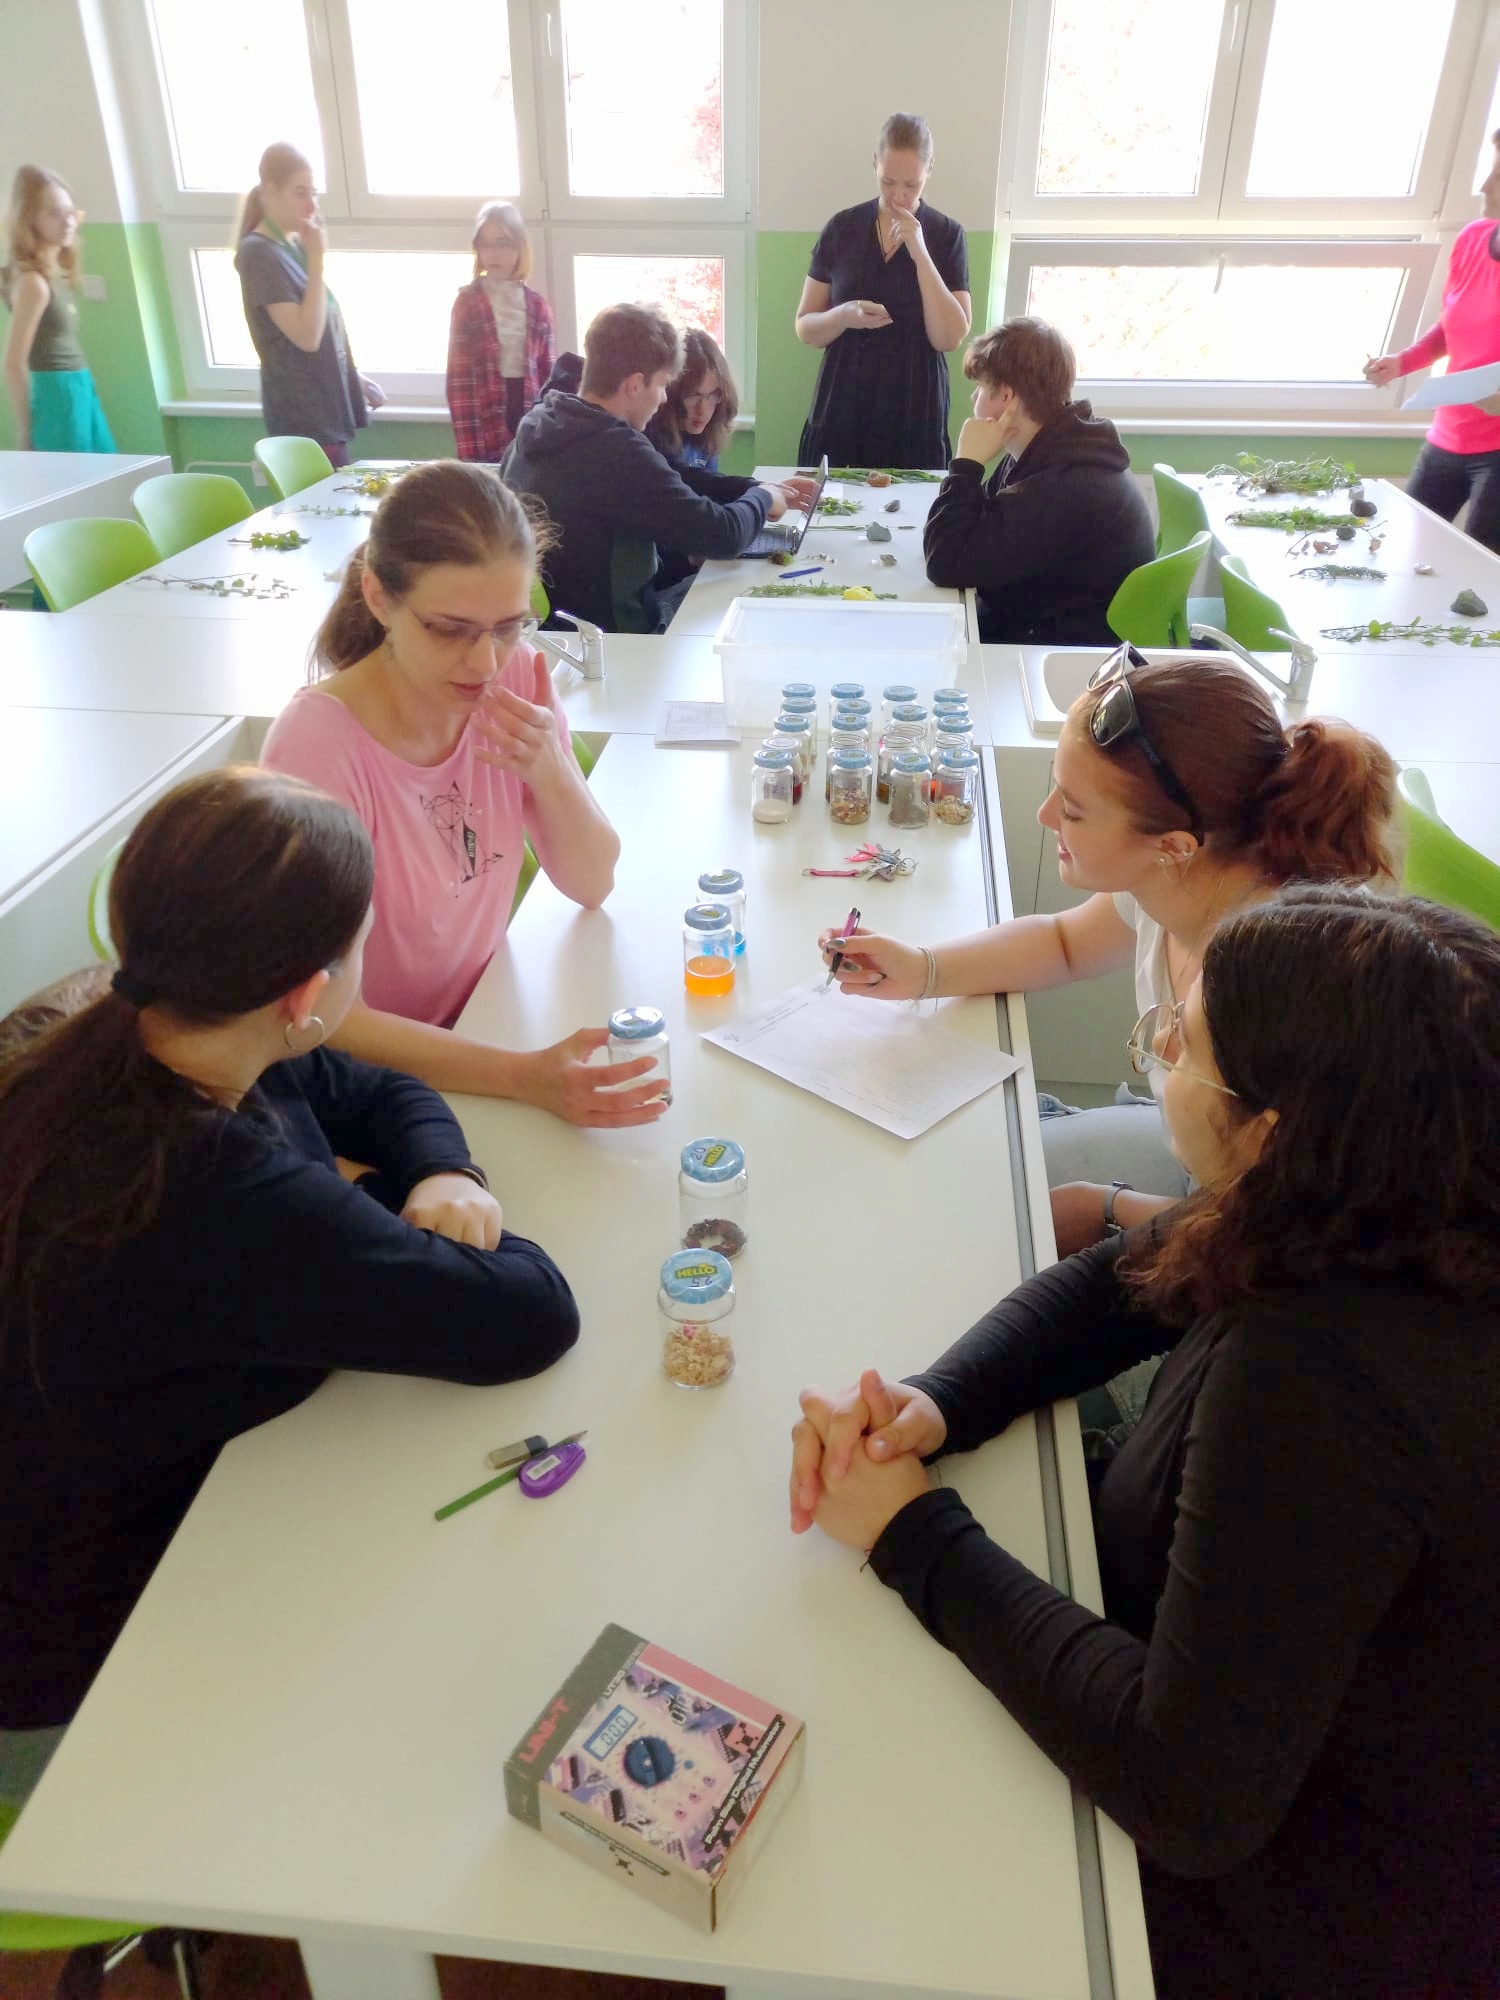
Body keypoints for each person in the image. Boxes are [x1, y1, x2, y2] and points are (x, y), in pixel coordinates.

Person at [789, 886, 1500, 1999]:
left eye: (1183, 1043)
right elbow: (1116, 1283)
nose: (1160, 1049)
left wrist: (910, 1532)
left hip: (1311, 1911)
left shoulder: (1321, 1378)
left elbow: (1188, 1793)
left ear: (1272, 1128)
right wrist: (939, 1399)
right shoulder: (1383, 1191)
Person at [0, 766, 579, 1755]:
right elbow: (530, 1314)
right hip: (82, 1647)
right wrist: (371, 1204)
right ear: (309, 993)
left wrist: (445, 1172)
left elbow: (376, 1089)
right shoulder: (219, 1194)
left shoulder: (125, 1016)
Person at [818, 651, 1398, 1259]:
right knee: (957, 1165)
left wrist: (1107, 1208)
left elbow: (1285, 1229)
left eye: (1072, 809)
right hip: (1196, 1157)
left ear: (1173, 845)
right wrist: (922, 969)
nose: (1046, 816)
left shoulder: (1274, 980)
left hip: (1268, 1236)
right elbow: (1063, 943)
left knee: (968, 1208)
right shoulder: (1186, 874)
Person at [261, 459, 664, 1128]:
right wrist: (522, 1075)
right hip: (367, 1081)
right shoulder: (318, 746)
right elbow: (318, 1018)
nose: (484, 662)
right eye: (449, 629)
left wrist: (551, 769)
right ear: (379, 597)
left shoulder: (519, 678)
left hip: (484, 1019)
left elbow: (593, 883)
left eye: (508, 626)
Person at [503, 303, 815, 632]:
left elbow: (673, 475)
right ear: (635, 385)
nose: (665, 398)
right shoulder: (615, 450)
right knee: (748, 596)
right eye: (663, 384)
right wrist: (763, 500)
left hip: (556, 630)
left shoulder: (546, 420)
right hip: (619, 636)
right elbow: (722, 535)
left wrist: (756, 488)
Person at [923, 318, 1155, 643]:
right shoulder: (1052, 447)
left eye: (981, 387)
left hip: (1058, 652)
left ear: (1006, 396)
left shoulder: (1065, 483)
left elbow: (945, 563)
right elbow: (970, 529)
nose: (973, 397)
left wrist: (966, 465)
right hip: (1037, 621)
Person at [794, 112, 970, 472]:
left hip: (914, 407)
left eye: (911, 184)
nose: (899, 195)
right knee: (834, 502)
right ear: (874, 163)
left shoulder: (947, 235)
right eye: (888, 182)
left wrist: (920, 252)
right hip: (843, 402)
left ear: (930, 169)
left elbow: (949, 337)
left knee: (912, 504)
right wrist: (843, 316)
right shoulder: (842, 228)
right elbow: (805, 327)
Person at [1365, 127, 1500, 552]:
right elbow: (1453, 324)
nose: (1485, 185)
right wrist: (1403, 361)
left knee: (1484, 570)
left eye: (1499, 174)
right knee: (1405, 553)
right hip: (1448, 437)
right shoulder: (1472, 239)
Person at [234, 142, 383, 470]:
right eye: (300, 193)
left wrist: (353, 378)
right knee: (329, 501)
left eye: (314, 193)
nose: (311, 205)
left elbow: (321, 328)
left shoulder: (291, 248)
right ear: (269, 191)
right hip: (303, 421)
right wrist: (317, 259)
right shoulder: (259, 253)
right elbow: (306, 337)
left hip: (326, 414)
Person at [2, 165, 114, 452]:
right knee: (78, 475)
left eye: (69, 212)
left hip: (79, 386)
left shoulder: (54, 271)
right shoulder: (33, 283)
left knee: (107, 469)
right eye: (53, 213)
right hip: (56, 394)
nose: (67, 222)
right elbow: (13, 363)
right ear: (29, 220)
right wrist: (26, 431)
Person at [446, 201, 555, 464]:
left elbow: (548, 378)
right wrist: (471, 456)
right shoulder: (467, 303)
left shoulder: (537, 306)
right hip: (483, 413)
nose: (493, 253)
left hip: (527, 410)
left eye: (503, 243)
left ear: (519, 246)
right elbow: (459, 382)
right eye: (485, 244)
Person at [646, 327, 738, 472]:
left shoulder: (707, 434)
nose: (703, 410)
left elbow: (711, 483)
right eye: (693, 395)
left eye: (712, 395)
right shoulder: (649, 440)